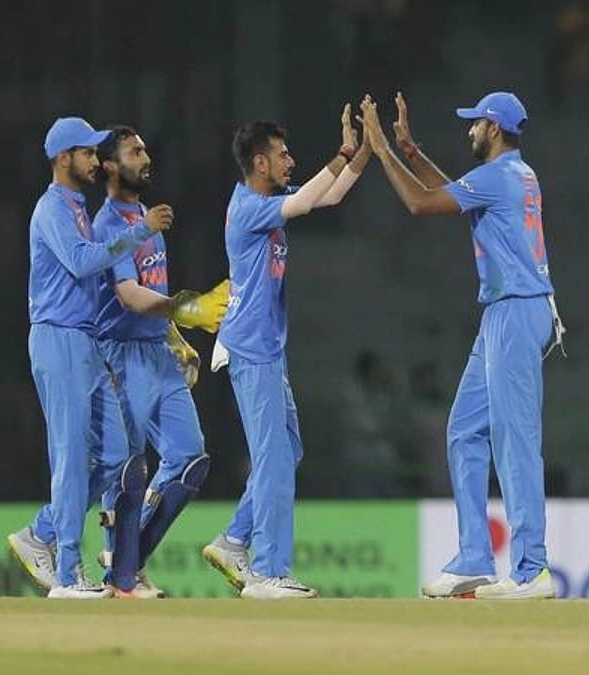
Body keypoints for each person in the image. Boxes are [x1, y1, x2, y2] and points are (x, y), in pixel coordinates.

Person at [359, 91, 563, 599]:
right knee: (465, 430)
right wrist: (411, 151)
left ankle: (531, 568)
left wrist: (381, 149)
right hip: (507, 311)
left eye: (474, 123)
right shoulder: (515, 174)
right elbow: (452, 194)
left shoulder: (498, 177)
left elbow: (420, 203)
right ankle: (475, 556)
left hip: (516, 310)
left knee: (514, 438)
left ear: (493, 128)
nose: (469, 130)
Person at [9, 126, 228, 599]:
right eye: (88, 152)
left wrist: (173, 333)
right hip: (66, 338)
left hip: (89, 340)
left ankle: (52, 536)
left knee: (113, 456)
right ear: (64, 157)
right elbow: (89, 267)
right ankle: (70, 572)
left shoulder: (77, 210)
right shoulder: (58, 210)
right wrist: (146, 240)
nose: (93, 159)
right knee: (74, 457)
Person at [201, 105, 371, 599]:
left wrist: (366, 151)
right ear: (259, 163)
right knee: (273, 460)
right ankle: (268, 572)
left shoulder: (270, 199)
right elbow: (306, 199)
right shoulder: (249, 208)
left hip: (266, 349)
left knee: (287, 450)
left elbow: (329, 194)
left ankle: (234, 540)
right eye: (282, 154)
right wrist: (343, 152)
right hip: (252, 348)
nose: (290, 161)